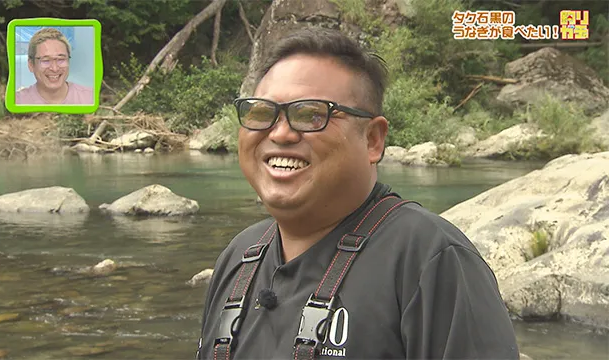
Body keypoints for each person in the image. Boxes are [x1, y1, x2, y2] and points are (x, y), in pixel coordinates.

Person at [197, 27, 519, 360]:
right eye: (262, 113)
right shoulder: (240, 257)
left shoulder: (429, 259)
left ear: (373, 140)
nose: (280, 133)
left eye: (311, 114)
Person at [15, 27, 93, 105]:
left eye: (61, 59)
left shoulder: (89, 97)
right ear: (31, 65)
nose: (54, 68)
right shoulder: (18, 101)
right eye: (45, 60)